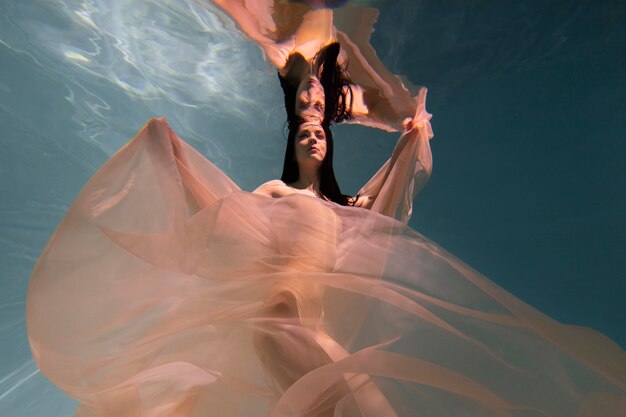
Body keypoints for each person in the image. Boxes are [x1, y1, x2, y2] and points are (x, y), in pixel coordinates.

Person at [26, 4, 626, 417]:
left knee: (335, 377)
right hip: (279, 321)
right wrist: (172, 156)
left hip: (304, 332)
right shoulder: (271, 193)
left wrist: (412, 138)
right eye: (303, 128)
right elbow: (214, 206)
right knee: (290, 338)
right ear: (290, 139)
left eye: (321, 129)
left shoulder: (348, 208)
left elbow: (392, 194)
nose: (313, 134)